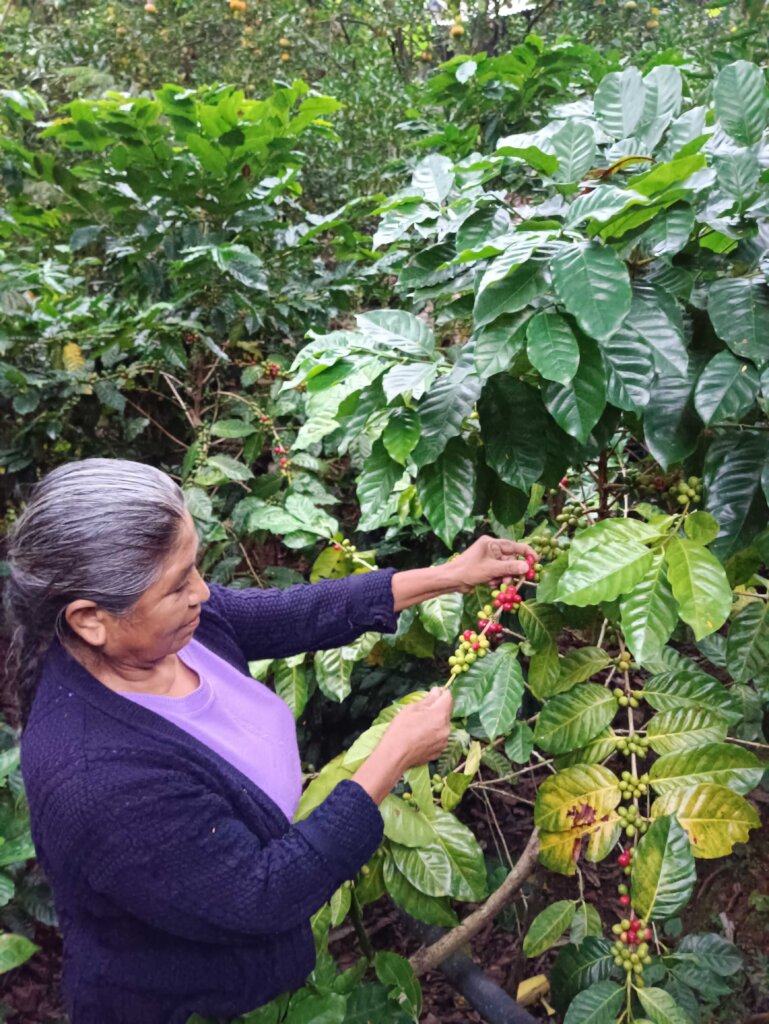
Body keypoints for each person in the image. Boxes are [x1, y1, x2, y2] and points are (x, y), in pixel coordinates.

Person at [5, 458, 537, 1024]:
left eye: (197, 567)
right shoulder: (96, 779)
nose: (203, 592)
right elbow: (264, 893)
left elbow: (294, 613)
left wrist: (450, 574)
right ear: (90, 619)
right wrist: (394, 755)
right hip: (201, 1006)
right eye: (179, 582)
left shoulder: (172, 630)